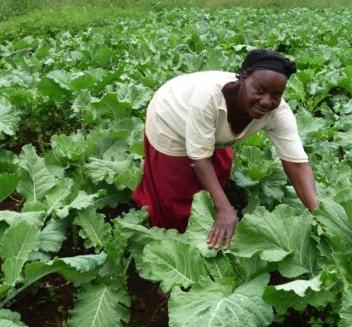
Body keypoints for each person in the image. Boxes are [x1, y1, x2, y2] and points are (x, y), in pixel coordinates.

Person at [132, 49, 318, 250]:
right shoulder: (208, 98)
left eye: (276, 94)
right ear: (243, 78)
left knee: (217, 175)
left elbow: (297, 165)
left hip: (212, 131)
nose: (267, 101)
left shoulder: (278, 112)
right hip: (170, 117)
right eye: (260, 90)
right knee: (177, 196)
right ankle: (173, 242)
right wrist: (225, 209)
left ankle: (211, 229)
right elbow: (199, 159)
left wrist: (318, 213)